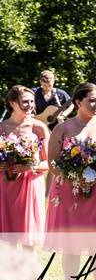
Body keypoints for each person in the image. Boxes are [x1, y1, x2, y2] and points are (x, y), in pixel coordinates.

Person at [44, 82, 96, 280]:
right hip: (70, 193)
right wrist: (73, 177)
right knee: (71, 245)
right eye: (92, 100)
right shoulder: (62, 129)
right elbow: (52, 163)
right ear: (78, 102)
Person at [0, 86, 50, 248]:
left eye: (31, 101)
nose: (30, 105)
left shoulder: (38, 128)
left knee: (29, 243)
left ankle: (29, 273)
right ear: (13, 104)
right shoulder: (1, 128)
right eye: (25, 102)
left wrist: (31, 167)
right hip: (5, 187)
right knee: (8, 243)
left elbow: (50, 162)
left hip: (30, 186)